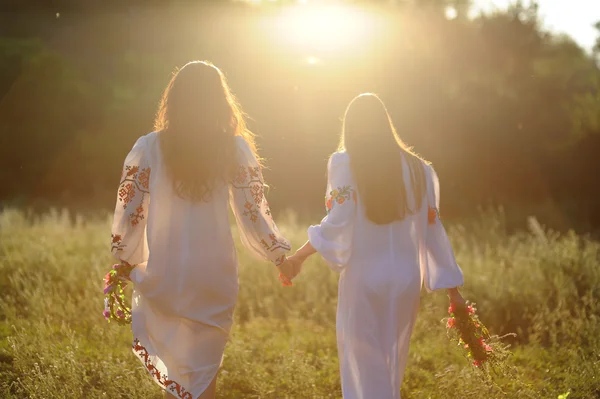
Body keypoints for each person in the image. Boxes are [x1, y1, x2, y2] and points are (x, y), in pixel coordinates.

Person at [109, 61, 295, 399]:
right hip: (213, 275)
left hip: (167, 273)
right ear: (219, 101)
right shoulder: (233, 148)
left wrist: (125, 259)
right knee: (204, 374)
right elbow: (252, 212)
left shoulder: (150, 147)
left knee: (177, 373)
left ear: (174, 100)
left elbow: (131, 210)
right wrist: (279, 256)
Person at [288, 93, 466, 399]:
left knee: (364, 371)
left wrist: (299, 257)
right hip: (406, 281)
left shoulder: (346, 162)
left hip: (364, 278)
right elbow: (433, 229)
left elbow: (338, 221)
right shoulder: (420, 169)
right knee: (390, 369)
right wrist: (454, 290)